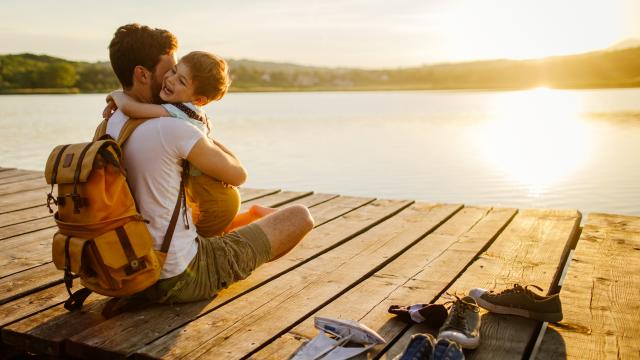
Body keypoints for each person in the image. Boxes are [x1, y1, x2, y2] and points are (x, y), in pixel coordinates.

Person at [102, 23, 314, 304]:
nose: (170, 78)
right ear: (142, 74)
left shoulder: (110, 123)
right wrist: (201, 130)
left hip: (130, 270)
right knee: (300, 216)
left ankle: (248, 225)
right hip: (178, 276)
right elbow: (238, 175)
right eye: (170, 70)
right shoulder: (173, 129)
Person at [105, 50, 276, 237]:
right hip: (212, 195)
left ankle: (257, 217)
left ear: (199, 100)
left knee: (202, 238)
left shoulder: (177, 111)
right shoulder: (193, 112)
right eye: (173, 71)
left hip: (215, 201)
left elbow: (132, 109)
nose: (170, 79)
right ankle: (254, 214)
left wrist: (116, 94)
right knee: (216, 232)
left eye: (181, 81)